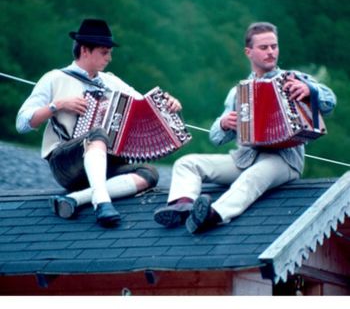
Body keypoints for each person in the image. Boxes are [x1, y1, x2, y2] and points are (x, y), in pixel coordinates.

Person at [154, 21, 336, 234]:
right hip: (245, 158)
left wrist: (310, 89)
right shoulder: (238, 92)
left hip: (284, 160)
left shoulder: (295, 79)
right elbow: (216, 136)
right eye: (264, 47)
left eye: (274, 46)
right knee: (187, 163)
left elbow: (330, 102)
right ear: (248, 52)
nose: (271, 52)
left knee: (252, 177)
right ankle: (182, 205)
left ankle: (213, 215)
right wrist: (224, 124)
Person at [16, 18, 182, 227]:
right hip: (66, 162)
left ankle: (77, 199)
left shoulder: (110, 81)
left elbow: (145, 106)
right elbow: (22, 123)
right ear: (85, 50)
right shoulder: (54, 78)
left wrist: (168, 104)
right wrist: (57, 105)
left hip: (104, 166)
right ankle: (102, 203)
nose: (110, 58)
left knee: (149, 173)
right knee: (97, 133)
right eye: (105, 52)